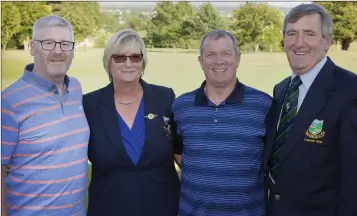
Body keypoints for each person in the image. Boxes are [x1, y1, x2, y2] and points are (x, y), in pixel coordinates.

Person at [263, 3, 357, 216]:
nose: (299, 43)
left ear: (327, 41)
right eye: (292, 34)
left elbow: (353, 179)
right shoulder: (281, 89)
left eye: (309, 34)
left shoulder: (350, 90)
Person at [172, 29, 272, 216]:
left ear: (238, 58)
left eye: (226, 53)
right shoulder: (181, 106)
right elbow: (178, 152)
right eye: (211, 54)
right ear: (201, 61)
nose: (219, 61)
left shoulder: (263, 105)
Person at [83, 28, 181, 216]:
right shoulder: (89, 104)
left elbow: (180, 151)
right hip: (109, 208)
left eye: (135, 57)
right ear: (108, 62)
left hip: (163, 207)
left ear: (143, 62)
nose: (128, 63)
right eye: (119, 57)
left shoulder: (165, 98)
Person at [1, 15, 89, 216]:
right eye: (48, 43)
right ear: (32, 47)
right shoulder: (9, 102)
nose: (58, 51)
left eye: (65, 44)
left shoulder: (75, 88)